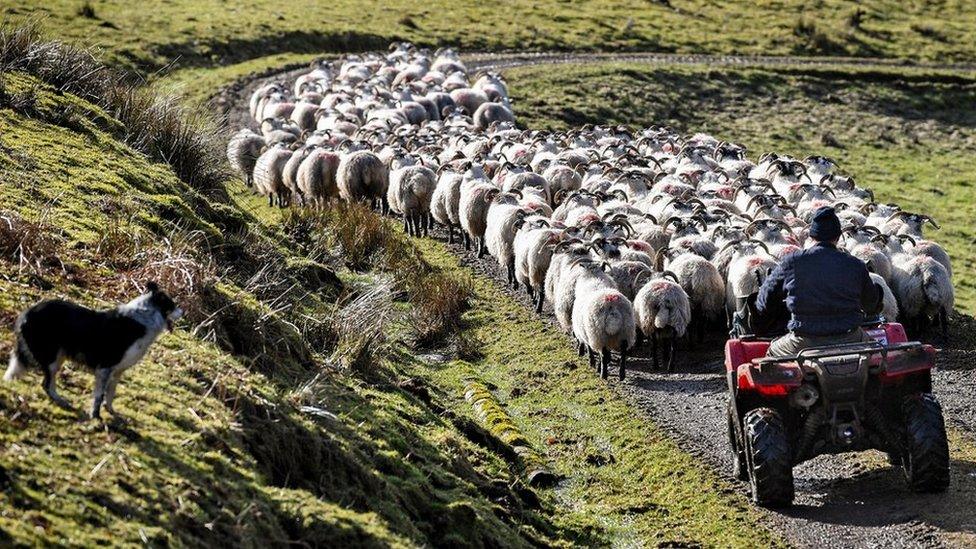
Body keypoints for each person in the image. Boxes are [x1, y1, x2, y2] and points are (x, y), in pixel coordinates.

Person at [755, 206, 882, 357]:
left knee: (772, 352)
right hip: (851, 338)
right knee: (877, 354)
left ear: (811, 236)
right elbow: (871, 307)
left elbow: (764, 302)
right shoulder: (855, 264)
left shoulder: (792, 261)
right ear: (839, 236)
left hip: (804, 341)